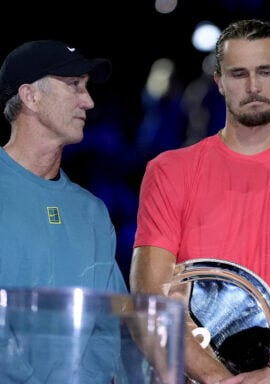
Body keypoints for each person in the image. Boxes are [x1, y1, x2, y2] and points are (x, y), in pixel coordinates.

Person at [130, 19, 270, 384]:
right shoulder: (169, 170)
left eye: (265, 71)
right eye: (238, 74)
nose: (253, 86)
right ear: (219, 82)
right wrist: (221, 381)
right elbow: (151, 304)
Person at [0, 40, 128, 383]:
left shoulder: (92, 213)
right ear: (30, 96)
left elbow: (111, 329)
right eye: (74, 86)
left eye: (86, 88)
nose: (88, 101)